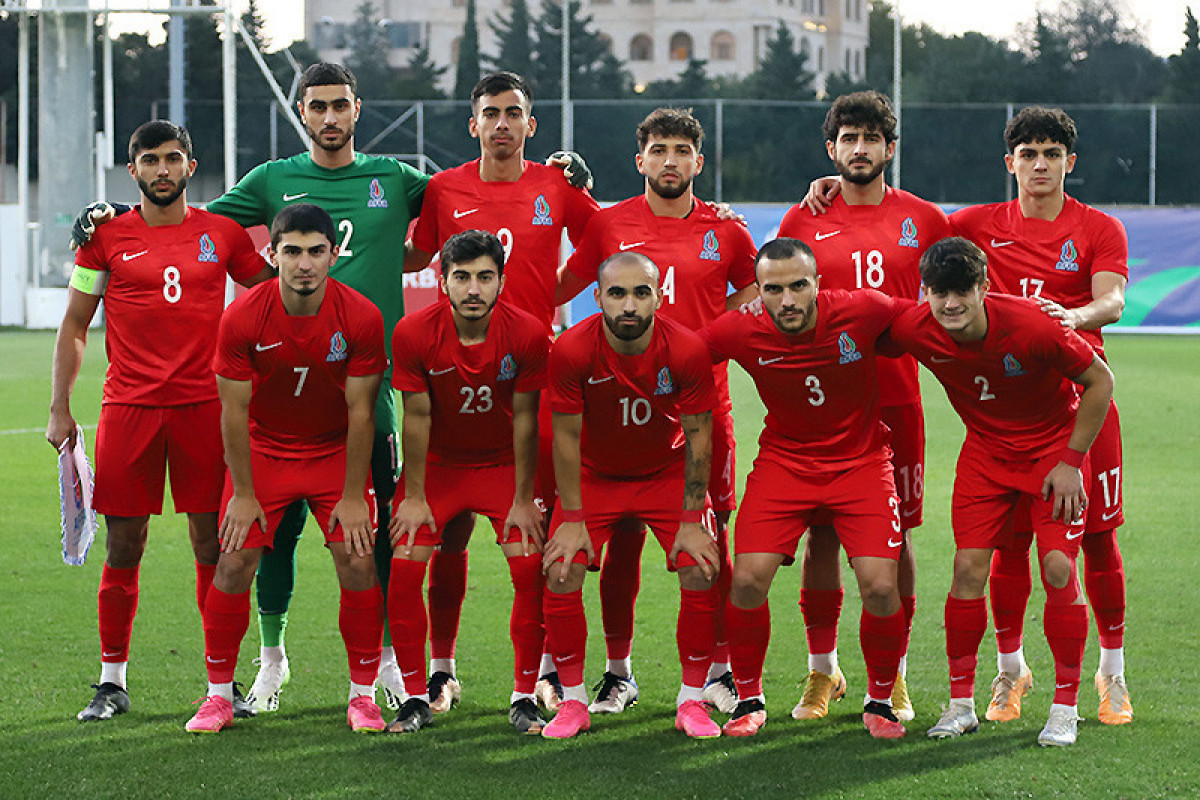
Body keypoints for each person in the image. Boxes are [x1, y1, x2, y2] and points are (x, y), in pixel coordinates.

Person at [47, 120, 272, 723]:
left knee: (212, 544)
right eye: (150, 160)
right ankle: (111, 682)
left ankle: (221, 684)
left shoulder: (222, 234)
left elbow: (274, 292)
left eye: (173, 158)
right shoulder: (104, 239)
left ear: (191, 167)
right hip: (130, 409)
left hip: (207, 410)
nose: (162, 170)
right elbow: (75, 324)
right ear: (133, 171)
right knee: (125, 544)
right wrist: (60, 407)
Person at [404, 71, 600, 714]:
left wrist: (553, 294)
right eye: (491, 113)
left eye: (514, 113)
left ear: (531, 124)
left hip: (530, 373)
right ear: (474, 124)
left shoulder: (556, 185)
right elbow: (417, 255)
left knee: (534, 530)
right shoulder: (443, 188)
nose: (502, 124)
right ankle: (441, 671)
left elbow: (605, 242)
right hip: (455, 374)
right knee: (448, 535)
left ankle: (541, 672)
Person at [554, 107, 758, 717]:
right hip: (616, 411)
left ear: (699, 161)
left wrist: (707, 340)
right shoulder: (609, 223)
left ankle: (718, 669)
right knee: (619, 545)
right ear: (640, 160)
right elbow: (560, 286)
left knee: (711, 538)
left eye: (682, 151)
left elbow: (755, 292)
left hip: (701, 409)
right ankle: (619, 672)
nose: (671, 161)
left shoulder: (728, 230)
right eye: (659, 150)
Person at [888, 237, 1113, 747]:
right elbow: (861, 322)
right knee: (967, 569)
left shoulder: (1035, 325)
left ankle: (1064, 708)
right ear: (925, 292)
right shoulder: (914, 327)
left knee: (1058, 569)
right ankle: (961, 706)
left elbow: (1101, 382)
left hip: (1052, 453)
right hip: (986, 457)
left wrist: (1071, 462)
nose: (951, 304)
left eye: (962, 291)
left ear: (985, 287)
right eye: (939, 293)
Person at [948, 107, 1132, 727]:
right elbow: (905, 228)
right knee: (1008, 546)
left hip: (1084, 404)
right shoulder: (975, 225)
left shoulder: (1098, 227)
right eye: (1028, 154)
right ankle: (1011, 670)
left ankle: (1112, 673)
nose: (1040, 164)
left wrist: (1074, 317)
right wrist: (834, 187)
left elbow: (1114, 298)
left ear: (1069, 162)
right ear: (1011, 163)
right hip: (1010, 411)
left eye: (1052, 153)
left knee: (1098, 540)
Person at [776, 91, 950, 723]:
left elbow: (950, 297)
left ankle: (894, 672)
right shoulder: (802, 218)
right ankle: (824, 670)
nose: (859, 149)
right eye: (848, 138)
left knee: (896, 540)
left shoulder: (925, 219)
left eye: (871, 138)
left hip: (896, 396)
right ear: (831, 149)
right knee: (822, 532)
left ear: (889, 148)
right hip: (822, 398)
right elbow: (779, 297)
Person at [186, 204, 388, 734]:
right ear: (272, 254)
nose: (304, 264)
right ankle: (217, 696)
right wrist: (243, 493)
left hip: (332, 453)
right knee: (233, 561)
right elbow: (233, 411)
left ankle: (363, 696)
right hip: (264, 452)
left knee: (358, 561)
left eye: (316, 251)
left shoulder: (361, 317)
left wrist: (352, 496)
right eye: (292, 251)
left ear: (333, 254)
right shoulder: (243, 316)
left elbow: (361, 412)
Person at [698, 238, 909, 740]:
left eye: (798, 286)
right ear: (757, 292)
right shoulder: (741, 328)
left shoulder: (862, 309)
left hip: (861, 463)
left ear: (818, 284)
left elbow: (933, 319)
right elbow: (680, 354)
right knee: (747, 580)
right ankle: (749, 699)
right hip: (785, 464)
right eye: (773, 290)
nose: (787, 300)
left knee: (882, 586)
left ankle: (881, 700)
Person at [540, 251, 722, 739]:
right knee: (561, 568)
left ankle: (691, 700)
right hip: (595, 476)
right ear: (597, 297)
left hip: (664, 472)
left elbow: (700, 437)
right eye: (617, 293)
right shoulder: (572, 349)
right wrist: (572, 518)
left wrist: (691, 521)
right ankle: (573, 702)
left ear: (658, 296)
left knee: (701, 565)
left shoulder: (685, 348)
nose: (629, 305)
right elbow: (565, 439)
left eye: (641, 293)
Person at [385, 230, 550, 735]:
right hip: (439, 467)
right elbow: (416, 416)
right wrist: (414, 497)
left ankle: (524, 697)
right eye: (461, 277)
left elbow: (527, 419)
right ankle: (417, 695)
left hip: (503, 466)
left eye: (484, 277)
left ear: (502, 281)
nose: (473, 289)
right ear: (442, 281)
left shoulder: (527, 332)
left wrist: (524, 498)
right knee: (405, 566)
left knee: (529, 568)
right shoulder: (414, 332)